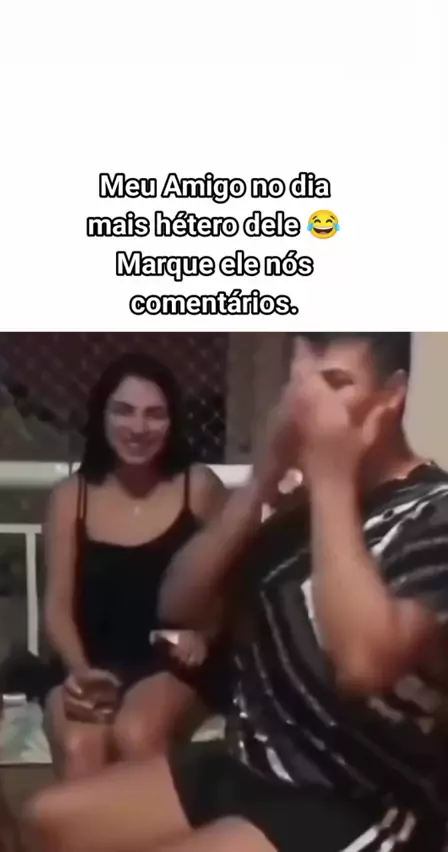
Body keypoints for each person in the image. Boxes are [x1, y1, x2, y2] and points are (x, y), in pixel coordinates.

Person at [24, 333, 448, 852]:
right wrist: (261, 479)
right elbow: (179, 604)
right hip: (257, 760)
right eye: (300, 386)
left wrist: (331, 481)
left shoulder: (433, 512)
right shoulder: (296, 509)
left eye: (336, 384)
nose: (309, 406)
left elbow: (363, 665)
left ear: (391, 395)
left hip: (358, 795)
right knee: (48, 820)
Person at [42, 351, 227, 779]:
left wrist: (204, 633)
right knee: (82, 744)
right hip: (89, 659)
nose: (138, 428)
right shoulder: (69, 498)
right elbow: (57, 606)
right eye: (123, 411)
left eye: (154, 414)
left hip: (173, 665)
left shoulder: (199, 488)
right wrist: (80, 672)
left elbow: (231, 583)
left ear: (172, 421)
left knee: (136, 730)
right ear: (101, 416)